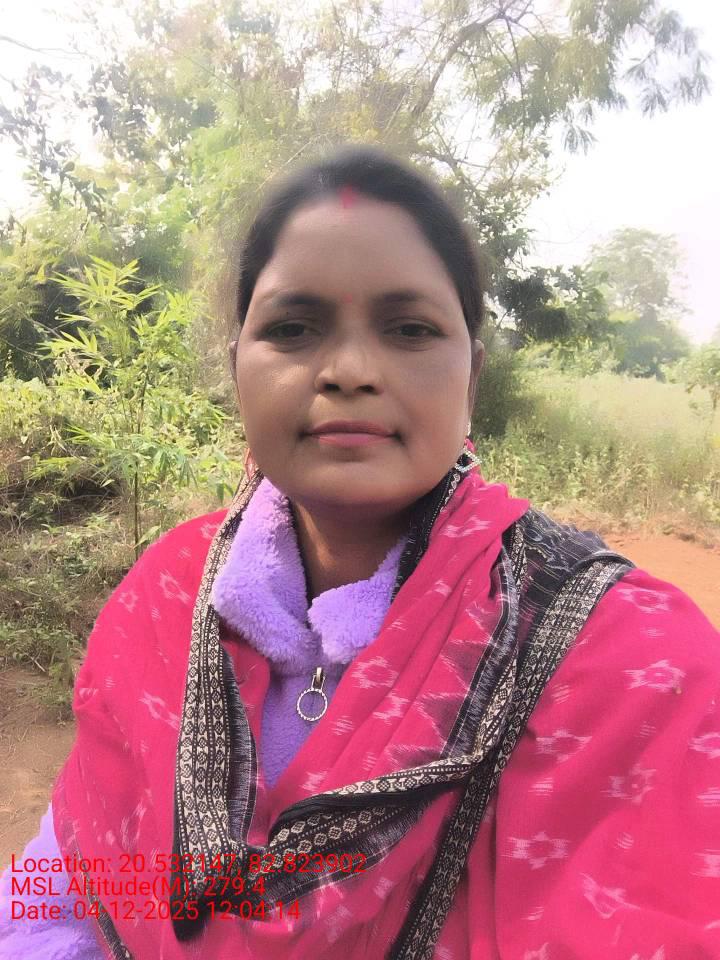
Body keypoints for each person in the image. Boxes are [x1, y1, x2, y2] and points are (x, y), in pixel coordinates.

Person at [1, 143, 719, 960]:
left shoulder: (635, 665)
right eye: (293, 328)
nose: (348, 370)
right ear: (237, 367)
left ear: (471, 377)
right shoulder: (164, 597)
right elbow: (62, 886)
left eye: (410, 329)